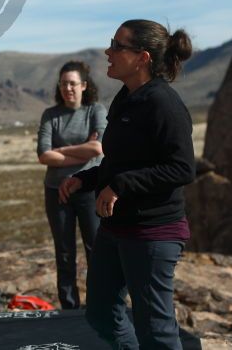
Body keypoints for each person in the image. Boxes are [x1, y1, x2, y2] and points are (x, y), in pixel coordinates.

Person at [59, 20, 194, 349]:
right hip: (116, 228)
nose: (108, 52)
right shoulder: (125, 98)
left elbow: (181, 169)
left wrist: (120, 186)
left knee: (157, 331)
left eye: (118, 46)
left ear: (142, 58)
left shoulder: (164, 104)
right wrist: (85, 178)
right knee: (101, 313)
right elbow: (119, 161)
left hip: (152, 231)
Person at [37, 60, 106, 309]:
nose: (68, 88)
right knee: (64, 252)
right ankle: (69, 307)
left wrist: (62, 151)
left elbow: (99, 148)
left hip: (88, 190)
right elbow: (44, 155)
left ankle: (100, 304)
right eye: (64, 83)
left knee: (95, 249)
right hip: (57, 192)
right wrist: (82, 151)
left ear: (84, 85)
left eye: (73, 83)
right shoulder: (51, 115)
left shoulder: (95, 111)